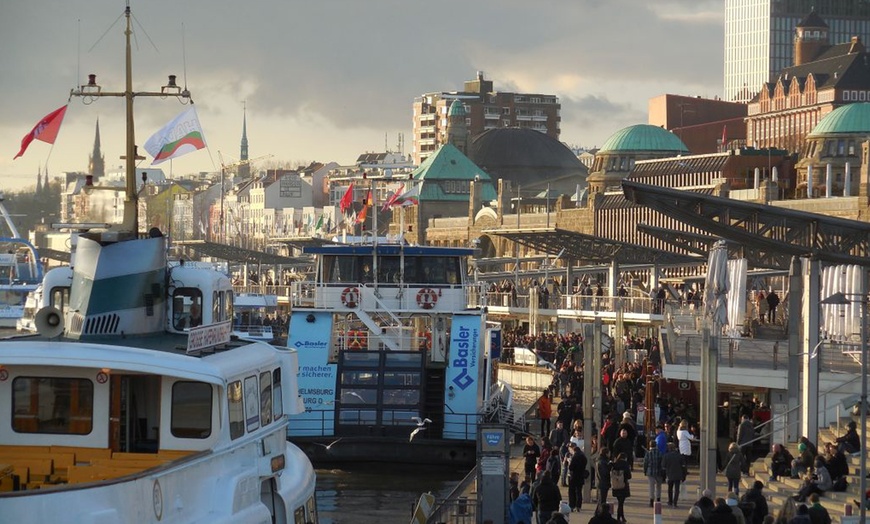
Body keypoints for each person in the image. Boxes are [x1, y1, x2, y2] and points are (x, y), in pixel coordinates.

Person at [610, 452, 632, 523]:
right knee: (621, 503)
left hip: (616, 485)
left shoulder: (614, 464)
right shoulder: (625, 464)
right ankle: (619, 517)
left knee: (620, 502)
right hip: (623, 485)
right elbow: (629, 476)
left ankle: (621, 517)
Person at [566, 442, 588, 512]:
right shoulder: (583, 456)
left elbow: (571, 467)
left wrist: (569, 462)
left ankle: (572, 505)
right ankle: (578, 506)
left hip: (573, 476)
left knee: (572, 491)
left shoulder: (574, 457)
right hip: (581, 476)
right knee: (579, 491)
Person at [643, 438, 664, 508]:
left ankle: (651, 501)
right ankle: (658, 499)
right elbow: (662, 463)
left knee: (651, 487)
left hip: (650, 472)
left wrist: (645, 471)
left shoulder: (648, 453)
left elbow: (645, 463)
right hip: (658, 472)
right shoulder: (660, 453)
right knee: (658, 486)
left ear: (650, 446)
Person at [661, 442, 683, 507]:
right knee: (677, 489)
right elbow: (683, 465)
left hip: (669, 474)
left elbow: (663, 466)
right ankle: (675, 502)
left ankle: (670, 501)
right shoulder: (679, 455)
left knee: (670, 488)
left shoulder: (666, 456)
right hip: (678, 474)